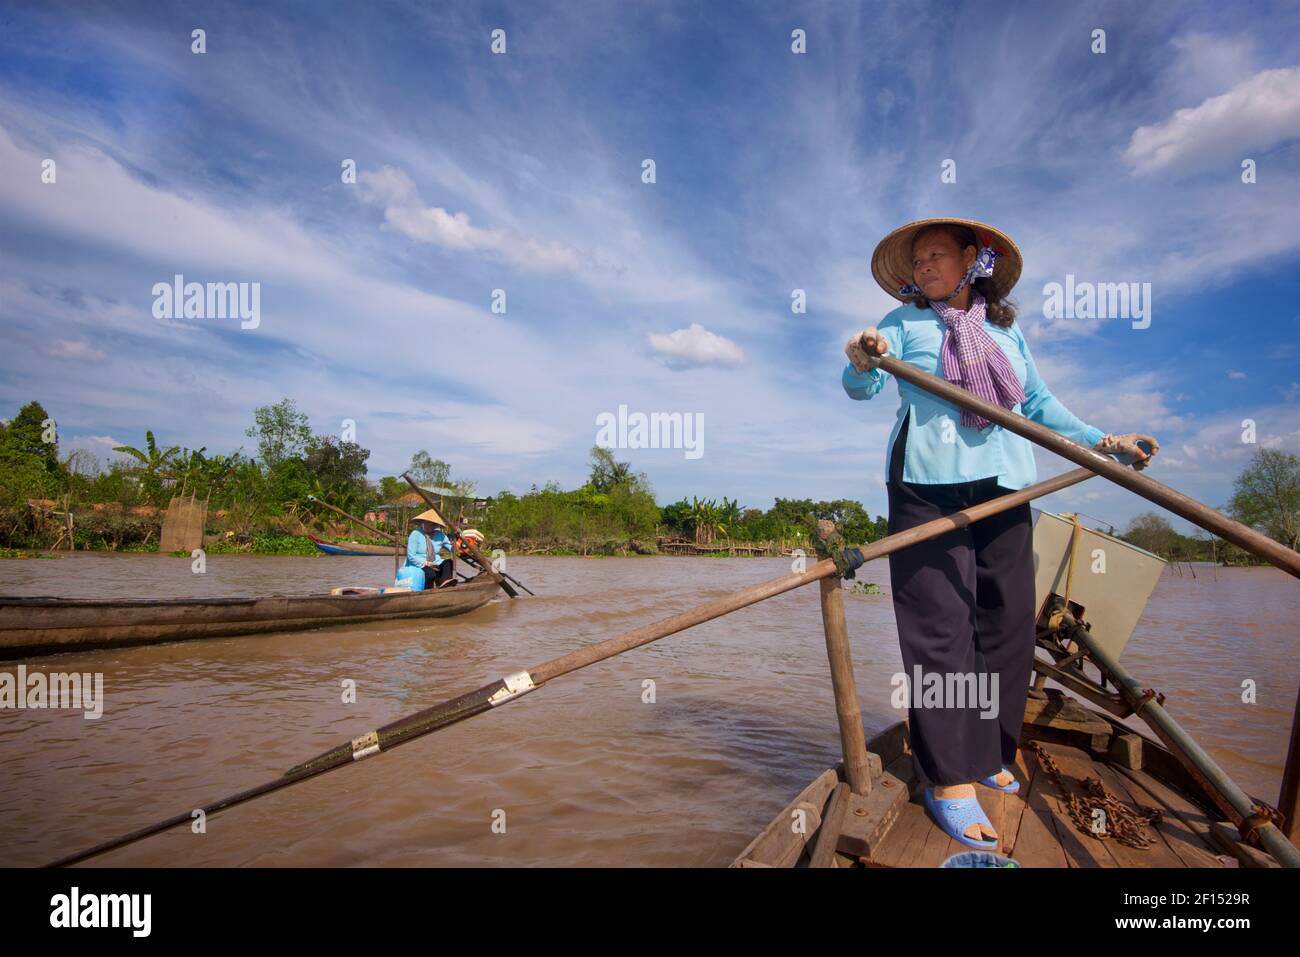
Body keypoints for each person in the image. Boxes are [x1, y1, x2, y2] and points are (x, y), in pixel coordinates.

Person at [842, 217, 1159, 849]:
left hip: (1006, 483)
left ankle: (989, 747)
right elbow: (864, 385)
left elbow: (1038, 404)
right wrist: (859, 357)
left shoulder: (1006, 332)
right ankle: (948, 778)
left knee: (1006, 621)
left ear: (972, 260)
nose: (925, 267)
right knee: (940, 627)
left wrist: (1105, 441)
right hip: (925, 486)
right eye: (918, 261)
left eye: (937, 255)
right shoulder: (902, 325)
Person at [406, 508, 456, 588]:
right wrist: (425, 563)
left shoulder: (440, 535)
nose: (428, 526)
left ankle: (444, 583)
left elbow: (450, 547)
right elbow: (411, 556)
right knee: (430, 574)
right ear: (423, 523)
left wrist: (456, 545)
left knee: (448, 562)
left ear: (435, 525)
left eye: (431, 524)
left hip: (435, 562)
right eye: (426, 523)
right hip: (419, 563)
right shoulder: (415, 534)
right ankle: (427, 591)